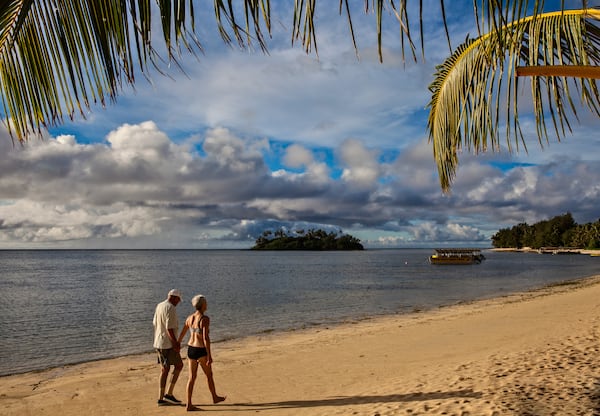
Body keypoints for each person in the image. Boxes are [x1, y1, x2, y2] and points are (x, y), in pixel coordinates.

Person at [178, 294, 226, 411]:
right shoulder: (204, 319)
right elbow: (205, 338)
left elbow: (184, 331)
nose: (207, 304)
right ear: (203, 305)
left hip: (191, 349)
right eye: (206, 303)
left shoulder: (190, 318)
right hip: (201, 350)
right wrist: (209, 355)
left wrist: (178, 343)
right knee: (209, 375)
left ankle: (189, 404)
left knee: (191, 378)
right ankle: (214, 397)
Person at [153, 288, 184, 406]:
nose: (178, 302)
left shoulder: (159, 305)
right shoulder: (170, 308)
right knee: (179, 365)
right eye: (178, 300)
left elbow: (155, 323)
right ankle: (168, 394)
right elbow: (169, 328)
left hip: (159, 342)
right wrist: (176, 344)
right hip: (167, 344)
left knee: (165, 369)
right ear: (174, 297)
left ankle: (162, 397)